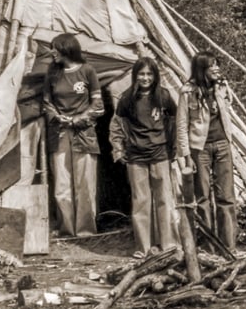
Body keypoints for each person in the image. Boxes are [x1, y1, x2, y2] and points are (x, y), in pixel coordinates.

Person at [110, 57, 179, 259]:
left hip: (160, 153)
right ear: (135, 76)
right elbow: (116, 126)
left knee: (164, 199)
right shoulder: (127, 99)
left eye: (149, 74)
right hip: (136, 155)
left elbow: (175, 122)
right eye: (141, 74)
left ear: (155, 76)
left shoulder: (164, 96)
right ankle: (143, 247)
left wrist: (173, 148)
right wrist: (118, 149)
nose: (145, 78)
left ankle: (168, 244)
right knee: (141, 201)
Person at [42, 33, 103, 237]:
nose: (52, 53)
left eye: (55, 48)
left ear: (67, 49)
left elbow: (97, 104)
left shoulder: (87, 71)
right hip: (59, 133)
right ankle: (67, 228)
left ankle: (85, 229)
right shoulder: (52, 73)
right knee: (61, 182)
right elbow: (47, 103)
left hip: (83, 133)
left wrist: (79, 119)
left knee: (85, 182)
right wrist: (59, 118)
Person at [176, 51, 238, 253]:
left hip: (222, 145)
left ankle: (229, 247)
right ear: (202, 69)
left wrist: (224, 88)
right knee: (202, 199)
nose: (217, 68)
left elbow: (229, 106)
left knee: (226, 197)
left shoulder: (221, 87)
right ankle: (209, 248)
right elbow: (182, 125)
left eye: (217, 64)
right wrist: (186, 157)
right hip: (199, 148)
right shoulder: (187, 92)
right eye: (212, 65)